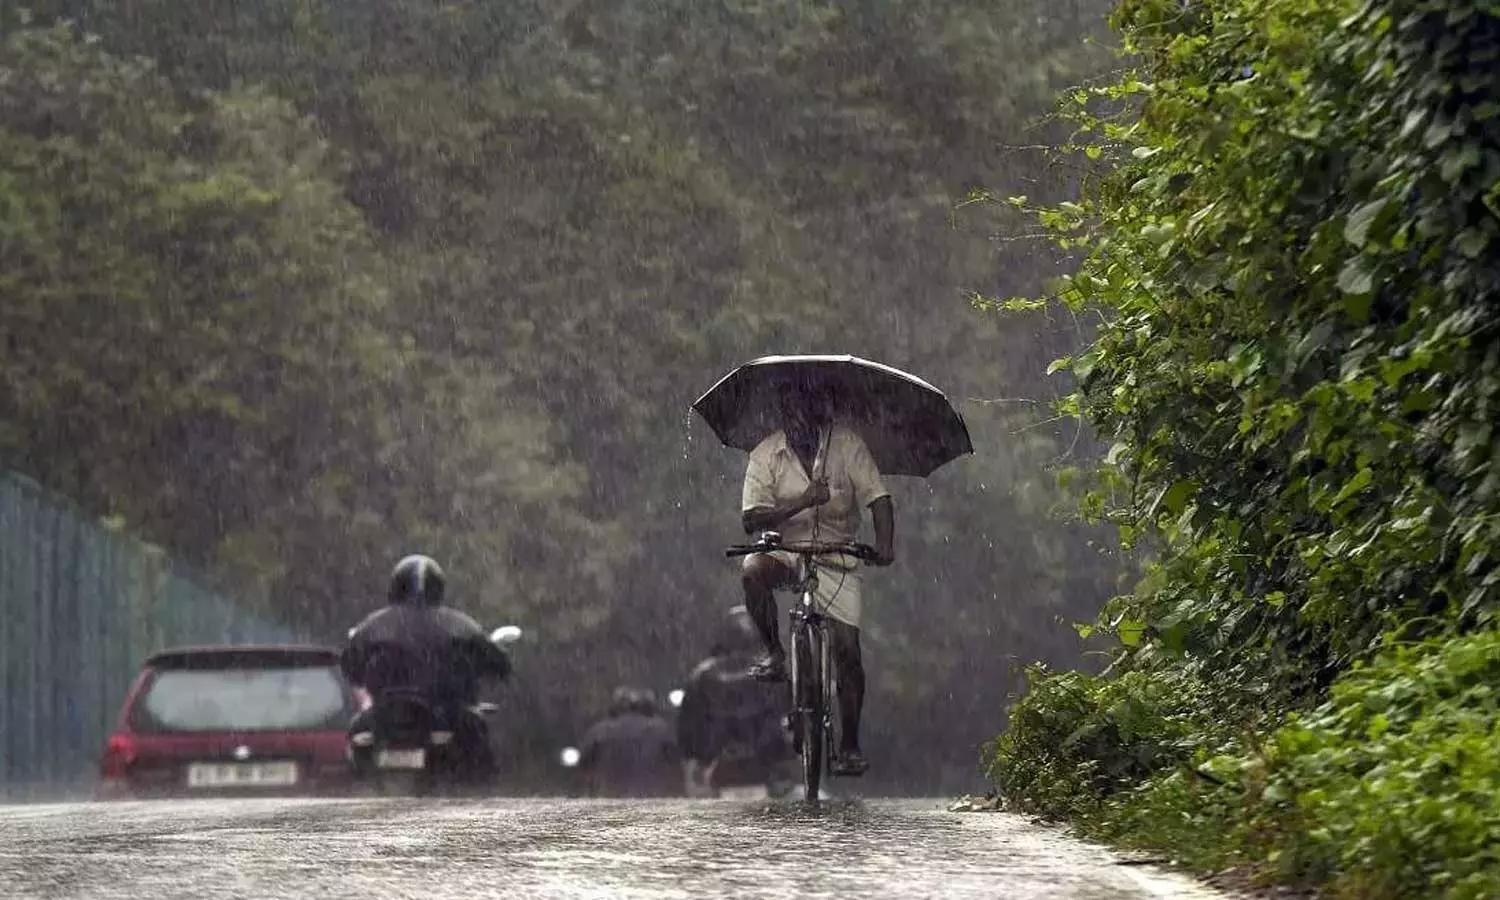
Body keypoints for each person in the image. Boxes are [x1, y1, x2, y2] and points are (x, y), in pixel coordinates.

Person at [740, 379, 894, 776]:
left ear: (822, 417)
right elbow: (751, 519)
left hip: (837, 552)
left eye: (808, 418)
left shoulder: (847, 446)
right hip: (785, 549)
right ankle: (774, 653)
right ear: (784, 421)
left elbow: (878, 498)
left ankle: (850, 744)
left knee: (848, 650)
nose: (800, 427)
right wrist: (803, 501)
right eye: (792, 418)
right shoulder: (765, 454)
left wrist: (884, 545)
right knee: (752, 571)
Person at [341, 554, 512, 778]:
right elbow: (498, 664)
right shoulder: (459, 624)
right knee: (478, 733)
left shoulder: (373, 626)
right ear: (438, 587)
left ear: (395, 586)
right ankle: (479, 791)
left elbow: (351, 667)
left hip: (386, 715)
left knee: (357, 731)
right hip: (446, 712)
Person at [677, 605, 795, 798]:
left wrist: (696, 762)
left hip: (717, 768)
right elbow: (791, 719)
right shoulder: (775, 673)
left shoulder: (702, 675)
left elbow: (687, 729)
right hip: (767, 768)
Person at [576, 686, 681, 798]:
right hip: (650, 796)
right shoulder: (661, 730)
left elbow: (584, 765)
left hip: (609, 796)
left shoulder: (599, 731)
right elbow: (675, 765)